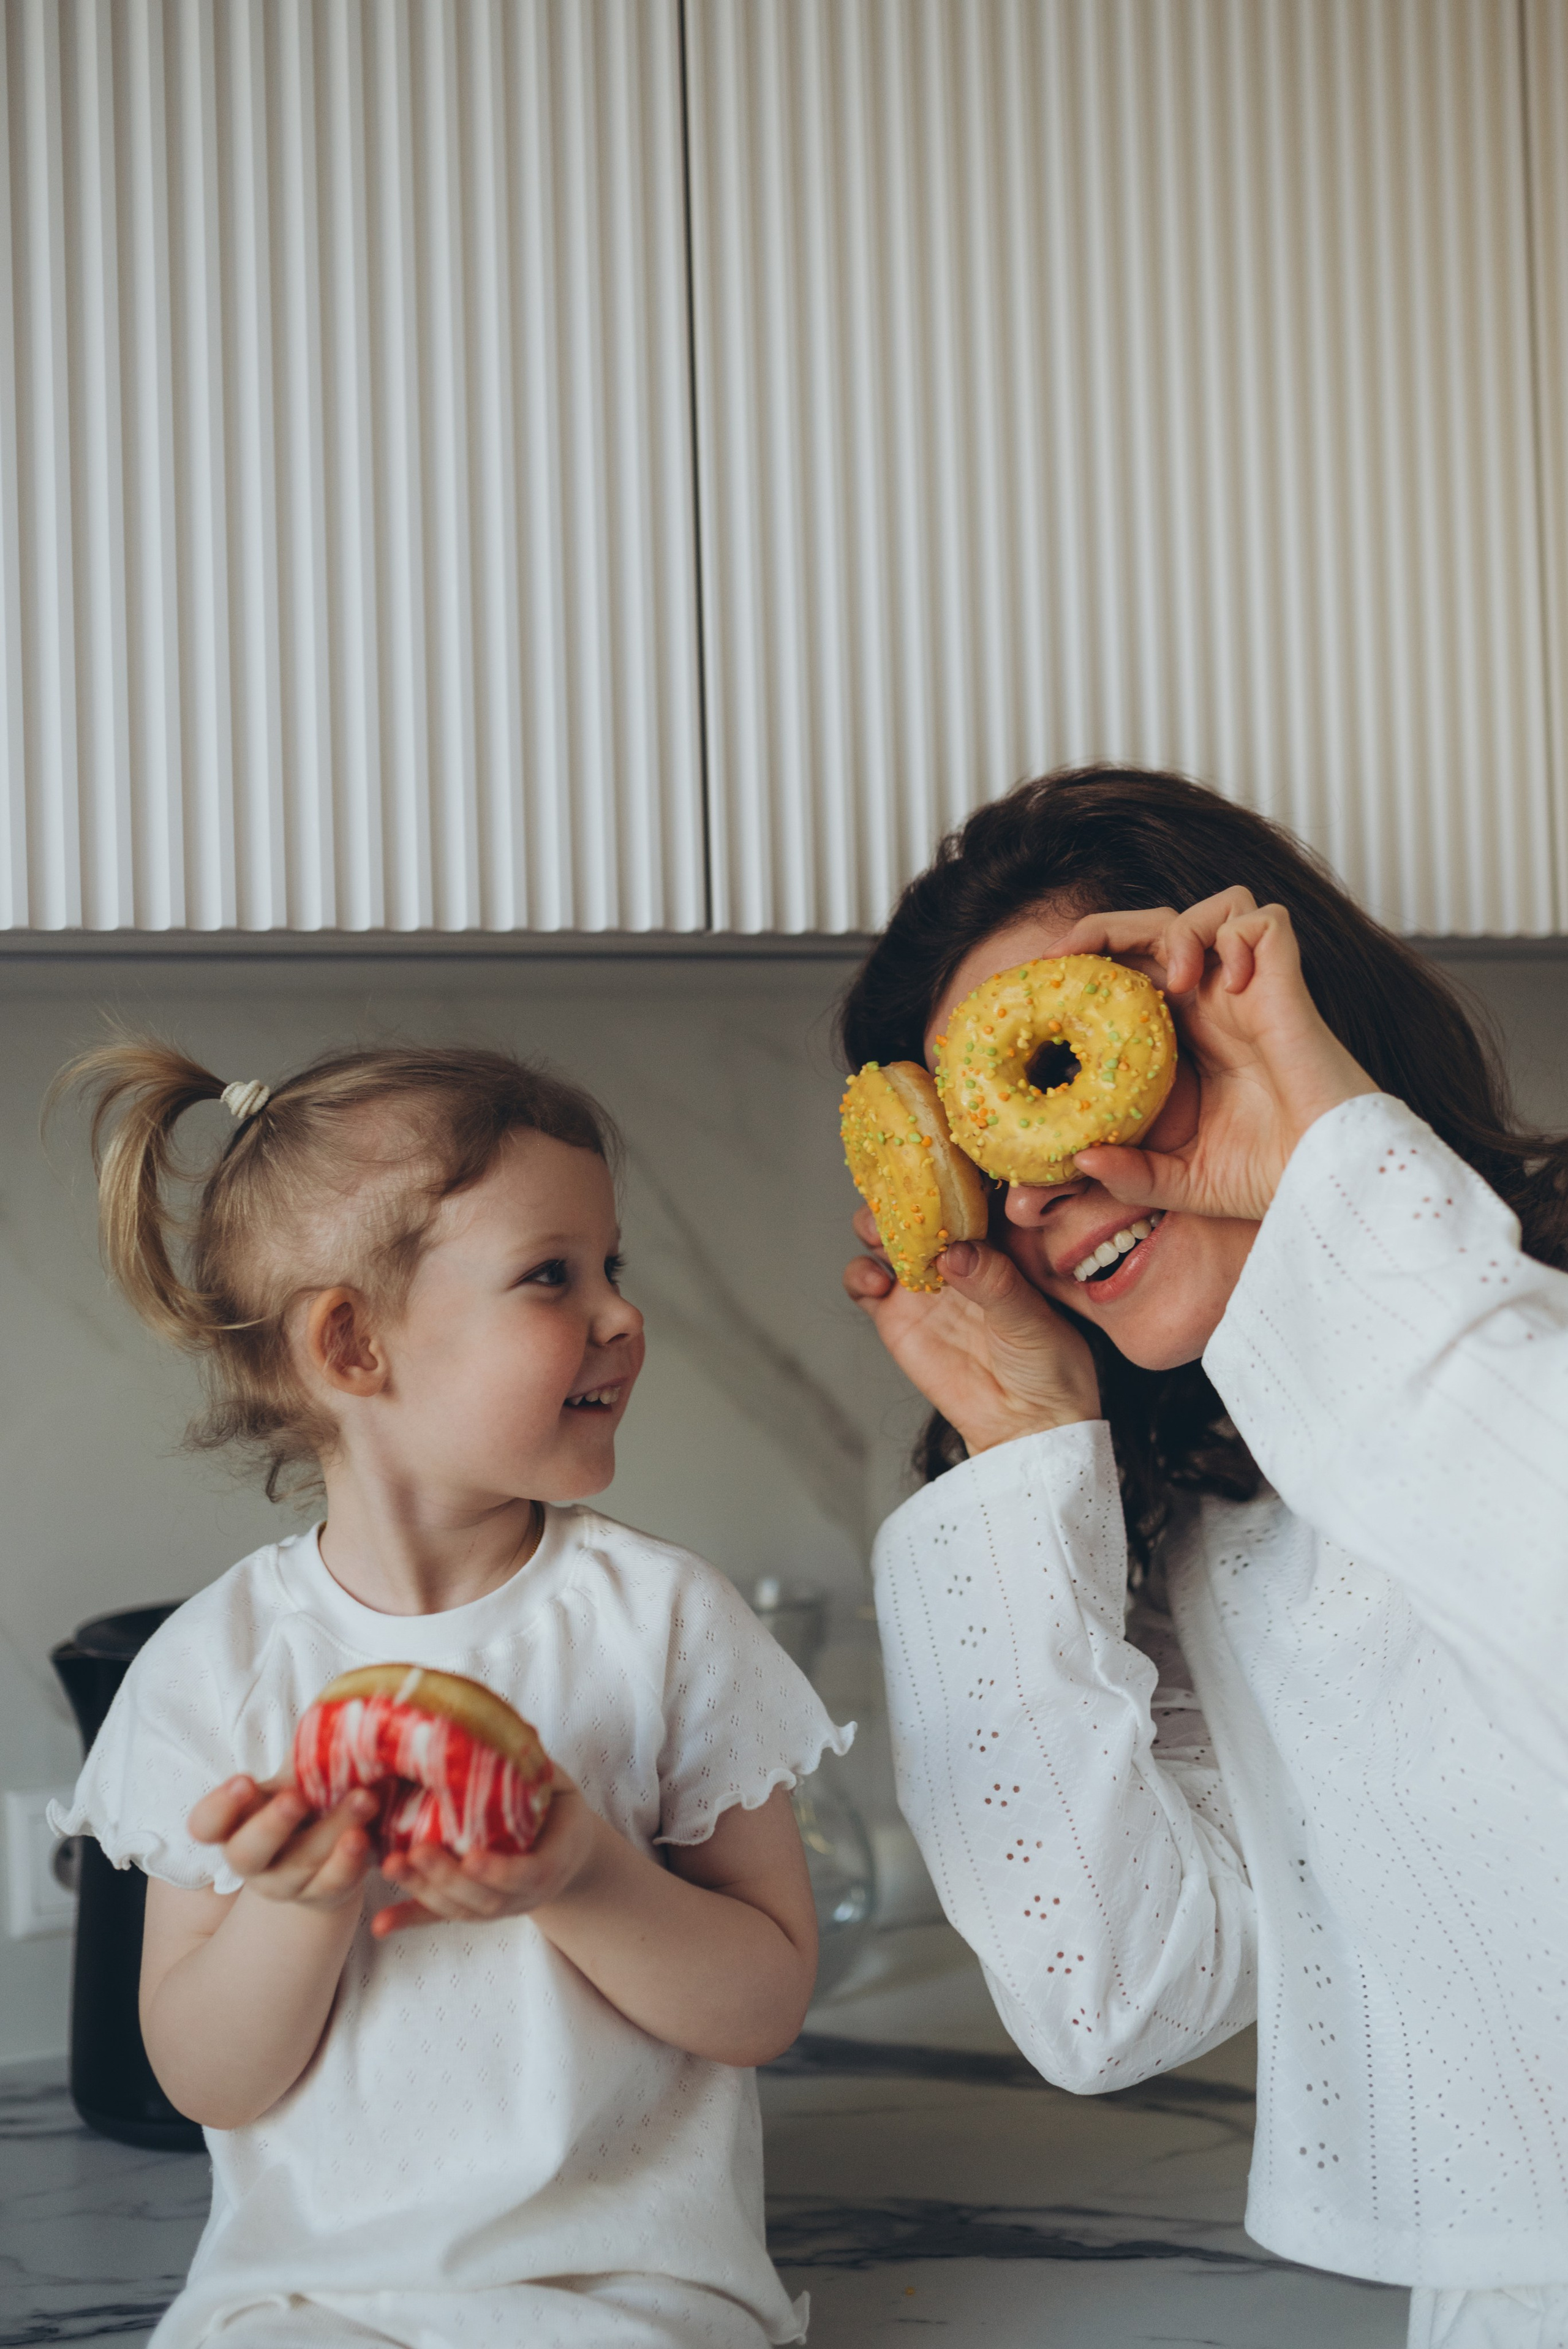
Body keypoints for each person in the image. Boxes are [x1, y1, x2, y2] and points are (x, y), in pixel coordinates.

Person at [840, 770, 1568, 2349]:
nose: (1038, 1189)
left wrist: (1318, 1162)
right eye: (990, 1145)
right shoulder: (1211, 1518)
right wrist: (1020, 1440)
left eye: (1067, 1067)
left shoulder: (1521, 1329)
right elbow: (1113, 1993)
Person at [53, 1042, 850, 2349]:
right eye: (551, 1274)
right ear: (350, 1342)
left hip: (622, 2288)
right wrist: (299, 1901)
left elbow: (763, 2003)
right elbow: (207, 2077)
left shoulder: (663, 1624)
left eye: (612, 1267)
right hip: (303, 2294)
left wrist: (581, 1871)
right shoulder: (213, 1668)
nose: (619, 1314)